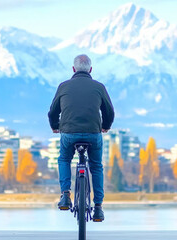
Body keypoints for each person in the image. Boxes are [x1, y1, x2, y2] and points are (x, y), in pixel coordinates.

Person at [48, 54, 114, 222]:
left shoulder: (63, 86)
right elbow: (109, 112)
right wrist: (105, 126)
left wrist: (55, 126)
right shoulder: (99, 87)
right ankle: (98, 207)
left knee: (64, 159)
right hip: (93, 133)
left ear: (73, 69)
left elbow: (53, 111)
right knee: (96, 166)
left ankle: (65, 195)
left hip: (69, 133)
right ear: (90, 70)